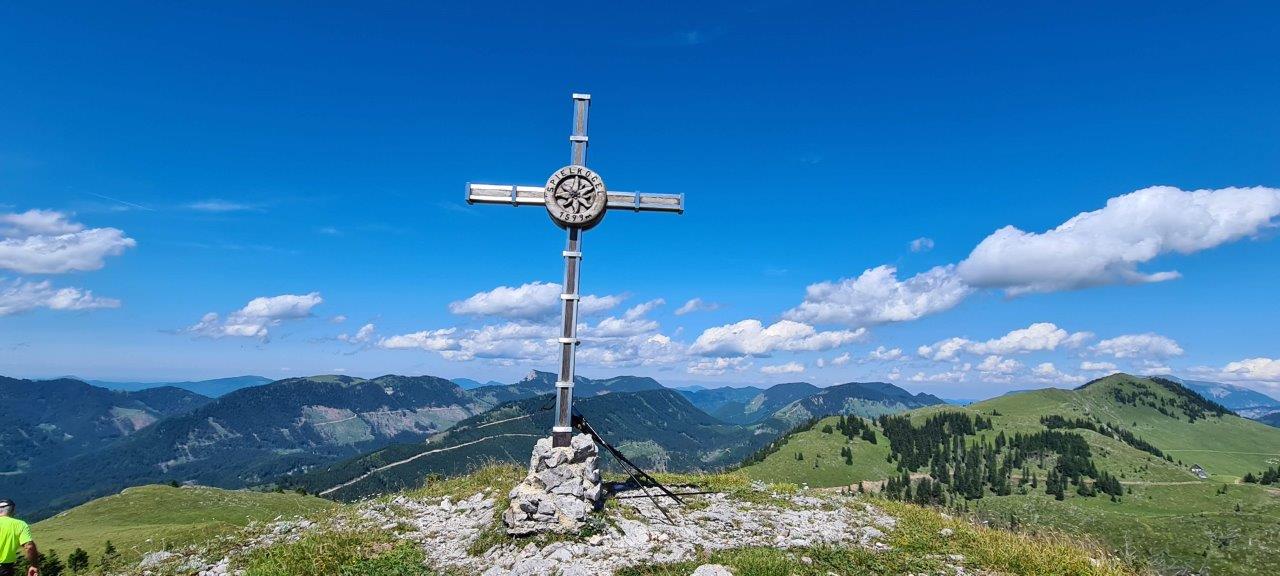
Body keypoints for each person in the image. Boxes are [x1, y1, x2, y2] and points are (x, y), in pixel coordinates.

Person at [0, 499, 37, 576]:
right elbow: (29, 547)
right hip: (4, 569)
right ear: (13, 510)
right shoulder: (20, 525)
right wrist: (33, 565)